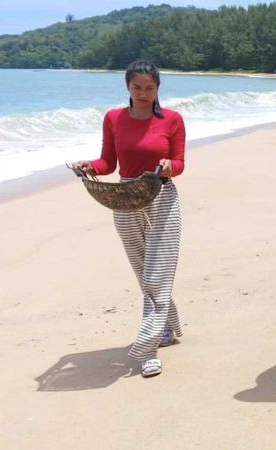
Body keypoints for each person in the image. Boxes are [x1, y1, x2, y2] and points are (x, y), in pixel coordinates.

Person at [73, 59, 186, 378]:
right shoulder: (113, 118)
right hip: (124, 199)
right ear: (127, 87)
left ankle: (148, 348)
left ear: (158, 88)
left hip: (162, 197)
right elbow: (108, 162)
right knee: (143, 271)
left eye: (149, 88)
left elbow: (179, 162)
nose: (143, 93)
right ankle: (168, 326)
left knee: (157, 273)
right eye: (137, 87)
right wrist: (89, 168)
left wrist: (168, 167)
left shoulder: (173, 120)